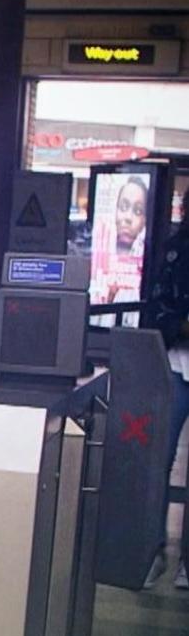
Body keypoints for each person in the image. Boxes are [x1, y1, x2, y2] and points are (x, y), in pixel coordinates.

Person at [146, 225, 189, 591]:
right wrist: (181, 325)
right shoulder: (175, 248)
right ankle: (152, 551)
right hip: (176, 365)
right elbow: (157, 304)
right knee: (160, 456)